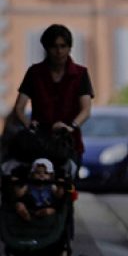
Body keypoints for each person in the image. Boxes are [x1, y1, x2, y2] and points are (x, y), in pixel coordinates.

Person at [13, 24, 93, 172]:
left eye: (63, 46)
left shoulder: (80, 74)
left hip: (68, 143)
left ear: (69, 48)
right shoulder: (34, 73)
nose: (59, 51)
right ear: (46, 48)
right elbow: (19, 107)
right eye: (54, 46)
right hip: (39, 142)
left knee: (66, 187)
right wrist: (29, 124)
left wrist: (71, 127)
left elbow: (86, 109)